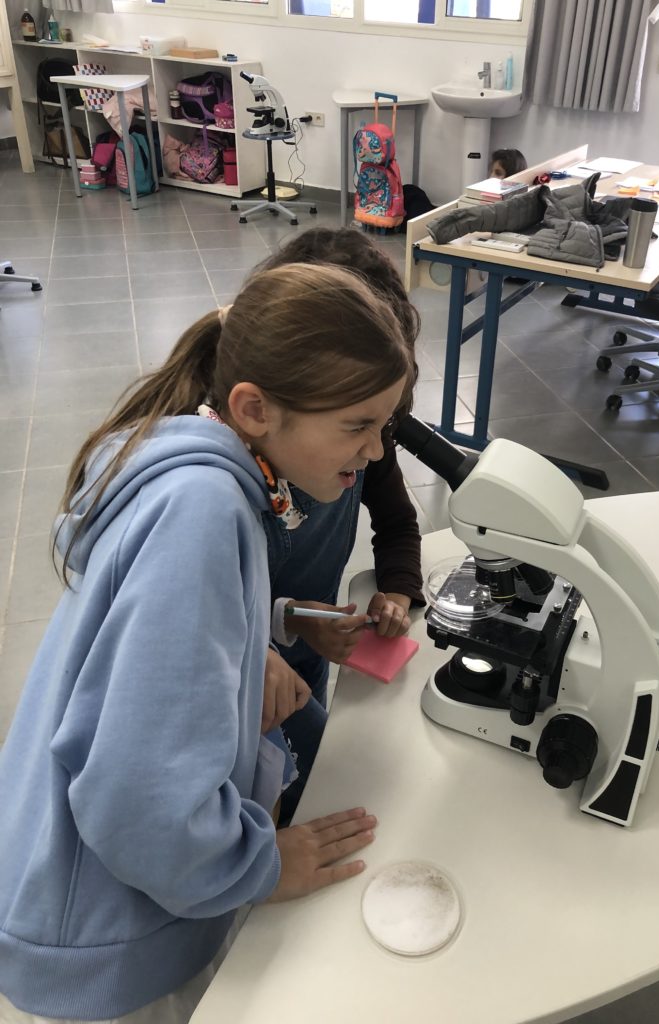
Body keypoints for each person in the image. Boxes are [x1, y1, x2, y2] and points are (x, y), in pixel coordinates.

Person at [0, 263, 416, 1024]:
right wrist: (258, 864)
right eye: (357, 425)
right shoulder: (206, 506)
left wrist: (281, 622)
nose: (378, 452)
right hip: (111, 947)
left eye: (383, 426)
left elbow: (151, 621)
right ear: (256, 410)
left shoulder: (189, 464)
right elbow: (135, 801)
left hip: (75, 892)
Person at [249, 229, 426, 823]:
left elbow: (399, 523)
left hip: (305, 647)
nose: (374, 452)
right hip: (243, 670)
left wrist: (396, 589)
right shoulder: (219, 486)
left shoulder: (358, 440)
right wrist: (260, 641)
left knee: (317, 781)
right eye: (358, 427)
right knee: (279, 796)